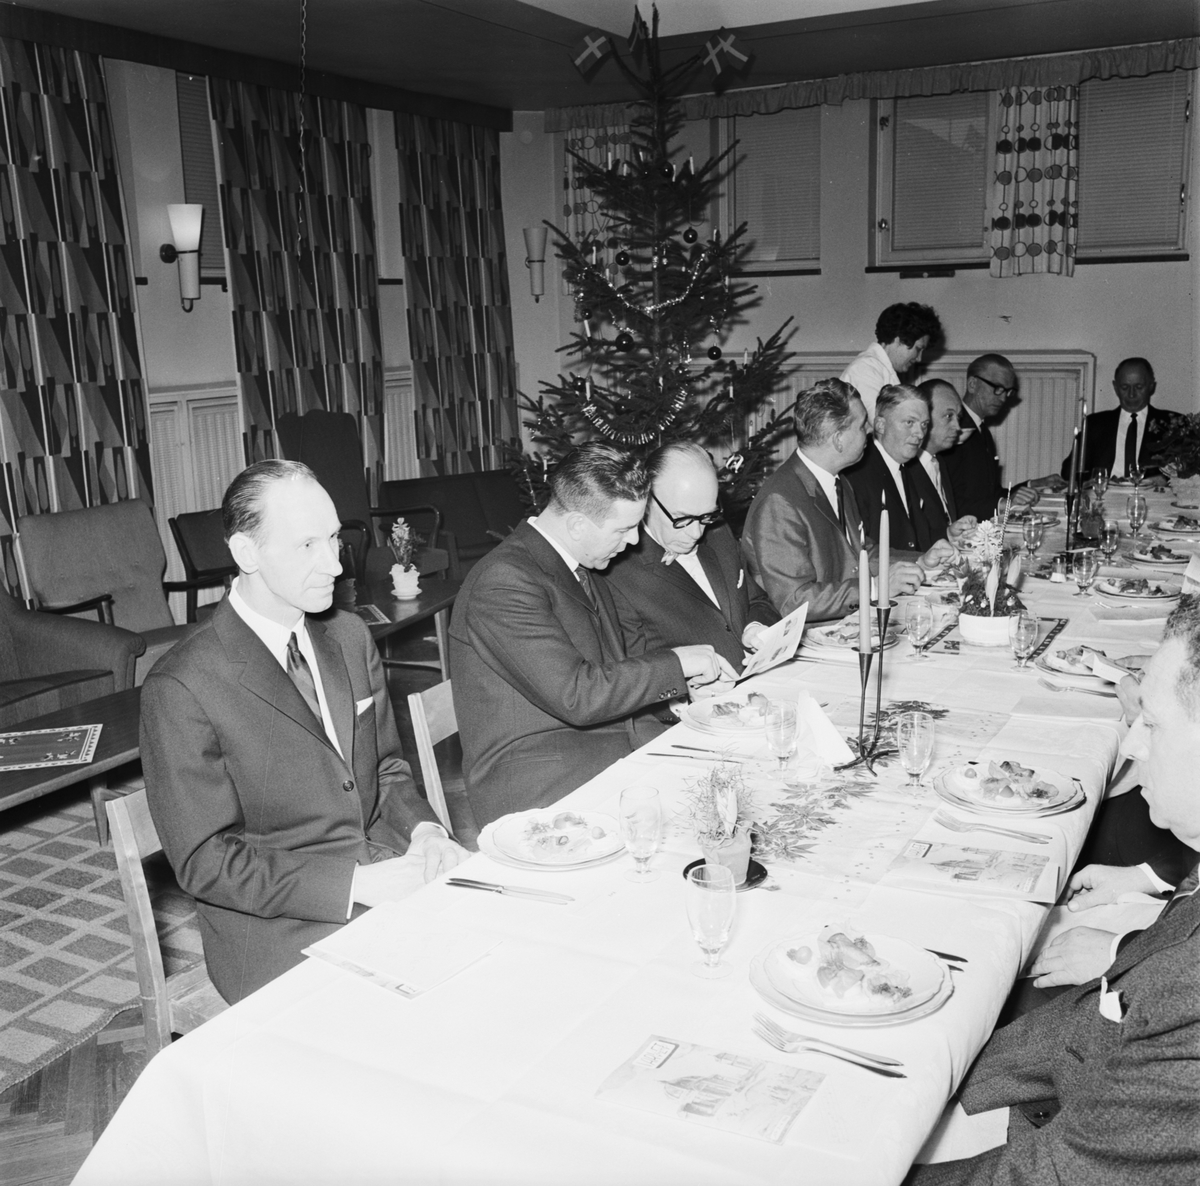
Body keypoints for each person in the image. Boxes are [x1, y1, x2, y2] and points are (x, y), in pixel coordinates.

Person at [140, 461, 467, 1004]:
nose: (334, 564)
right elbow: (205, 863)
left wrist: (425, 832)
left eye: (334, 539)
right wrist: (355, 885)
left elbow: (386, 769)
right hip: (277, 930)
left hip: (380, 871)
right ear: (246, 553)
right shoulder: (181, 686)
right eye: (307, 545)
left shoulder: (349, 636)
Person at [908, 602, 1200, 1185]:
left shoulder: (1187, 999)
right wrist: (929, 1077)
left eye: (1152, 723)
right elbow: (1090, 1020)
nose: (1132, 746)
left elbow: (1056, 1176)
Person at [449, 442, 736, 828]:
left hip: (602, 747)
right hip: (538, 779)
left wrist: (681, 696)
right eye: (624, 529)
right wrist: (678, 663)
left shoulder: (583, 564)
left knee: (733, 781)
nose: (634, 541)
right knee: (706, 813)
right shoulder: (503, 582)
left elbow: (616, 673)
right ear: (577, 525)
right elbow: (577, 695)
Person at [741, 378, 952, 622]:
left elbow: (862, 554)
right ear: (838, 439)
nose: (870, 430)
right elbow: (794, 600)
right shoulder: (780, 501)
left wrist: (919, 561)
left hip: (845, 626)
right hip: (807, 636)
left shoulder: (838, 481)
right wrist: (875, 587)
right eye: (862, 425)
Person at [602, 441, 779, 671]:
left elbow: (757, 601)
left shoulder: (718, 533)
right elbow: (634, 674)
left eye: (706, 516)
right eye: (682, 519)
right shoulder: (617, 572)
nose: (696, 533)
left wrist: (756, 626)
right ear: (646, 501)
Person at [845, 384, 976, 553]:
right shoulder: (857, 473)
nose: (920, 434)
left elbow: (913, 538)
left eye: (924, 424)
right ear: (880, 425)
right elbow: (861, 550)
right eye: (909, 422)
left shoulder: (905, 465)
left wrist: (948, 534)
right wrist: (917, 561)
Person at [940, 353, 1039, 521]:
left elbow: (990, 494)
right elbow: (950, 503)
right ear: (972, 384)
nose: (1003, 398)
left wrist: (1031, 485)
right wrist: (1003, 505)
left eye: (1008, 391)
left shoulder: (981, 430)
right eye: (997, 388)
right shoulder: (954, 432)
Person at [1059, 357, 1176, 480]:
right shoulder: (1095, 424)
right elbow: (1069, 472)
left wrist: (1162, 478)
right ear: (1115, 387)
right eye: (1125, 387)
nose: (1131, 394)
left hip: (1151, 491)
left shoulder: (1171, 424)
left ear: (1151, 386)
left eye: (1139, 387)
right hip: (1104, 490)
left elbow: (1184, 471)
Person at [840, 302, 943, 418]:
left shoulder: (879, 368)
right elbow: (881, 423)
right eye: (918, 349)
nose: (919, 358)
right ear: (900, 339)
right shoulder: (865, 369)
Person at [909, 379, 976, 551]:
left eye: (958, 417)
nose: (957, 427)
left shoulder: (940, 462)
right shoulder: (906, 470)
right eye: (948, 416)